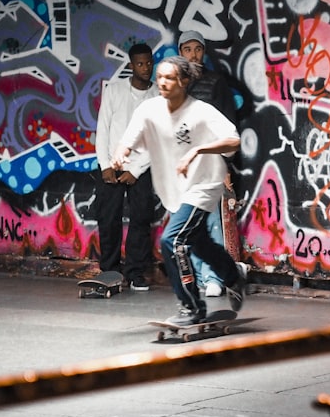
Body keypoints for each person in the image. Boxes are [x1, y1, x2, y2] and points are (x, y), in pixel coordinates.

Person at [113, 55, 247, 325]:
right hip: (174, 189)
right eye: (160, 76)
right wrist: (121, 153)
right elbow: (130, 138)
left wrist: (198, 149)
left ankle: (191, 307)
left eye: (170, 77)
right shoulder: (149, 110)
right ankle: (233, 275)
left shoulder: (200, 111)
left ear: (184, 81)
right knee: (200, 243)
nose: (162, 82)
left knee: (172, 242)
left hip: (204, 184)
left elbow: (233, 138)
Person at [177, 29, 247, 297]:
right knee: (188, 224)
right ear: (180, 52)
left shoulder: (216, 83)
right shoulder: (175, 84)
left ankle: (214, 277)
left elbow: (228, 129)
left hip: (209, 163)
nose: (193, 54)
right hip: (183, 166)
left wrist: (225, 167)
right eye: (188, 49)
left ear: (204, 52)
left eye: (198, 49)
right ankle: (196, 277)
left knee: (213, 221)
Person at [93, 42, 159, 290]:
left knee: (141, 219)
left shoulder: (158, 97)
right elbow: (103, 129)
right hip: (112, 165)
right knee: (108, 219)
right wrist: (105, 166)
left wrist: (136, 170)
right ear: (131, 66)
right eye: (140, 64)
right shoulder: (114, 90)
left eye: (149, 62)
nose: (146, 68)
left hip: (140, 168)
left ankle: (135, 273)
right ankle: (109, 272)